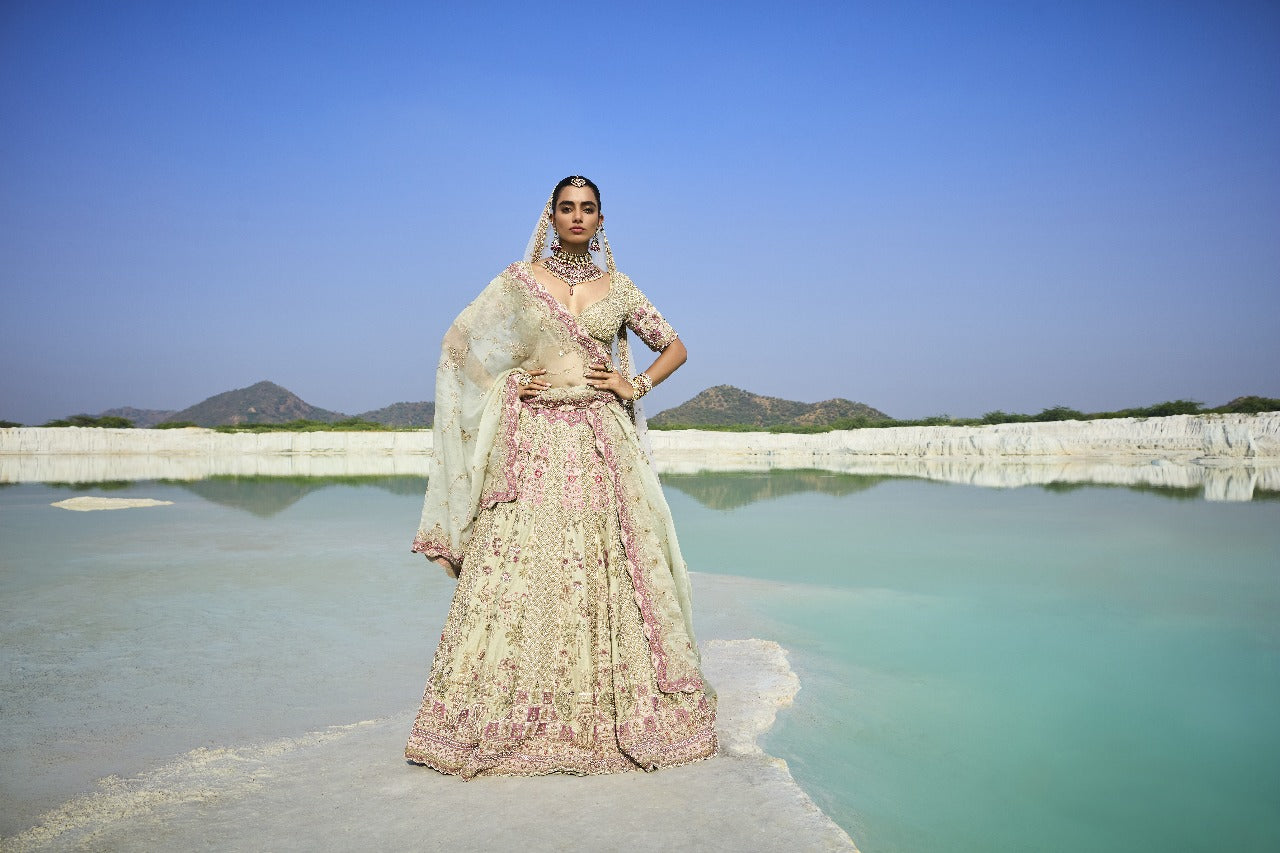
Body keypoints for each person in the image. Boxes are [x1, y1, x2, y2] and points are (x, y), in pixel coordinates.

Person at [405, 176, 718, 777]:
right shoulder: (518, 285)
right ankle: (506, 711)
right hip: (534, 447)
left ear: (602, 220)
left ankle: (607, 710)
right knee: (525, 570)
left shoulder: (619, 289)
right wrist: (510, 384)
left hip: (602, 446)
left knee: (605, 570)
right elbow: (459, 347)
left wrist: (636, 383)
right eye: (566, 208)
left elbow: (675, 345)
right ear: (549, 217)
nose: (577, 217)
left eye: (588, 209)